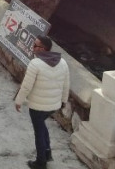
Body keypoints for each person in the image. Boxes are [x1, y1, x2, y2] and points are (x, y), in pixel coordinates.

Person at [14, 35, 70, 169]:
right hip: (53, 105)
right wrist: (63, 101)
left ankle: (41, 162)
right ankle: (47, 152)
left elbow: (26, 86)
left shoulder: (35, 64)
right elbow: (66, 84)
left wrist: (19, 101)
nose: (32, 48)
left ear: (43, 49)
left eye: (35, 46)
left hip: (37, 105)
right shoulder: (62, 62)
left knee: (38, 131)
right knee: (41, 126)